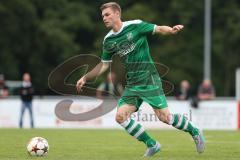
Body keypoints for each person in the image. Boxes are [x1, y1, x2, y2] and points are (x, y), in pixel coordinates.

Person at [76, 2, 205, 157]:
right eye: (103, 15)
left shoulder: (135, 26)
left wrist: (171, 30)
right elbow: (104, 65)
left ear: (117, 14)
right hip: (132, 84)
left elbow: (158, 29)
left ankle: (195, 131)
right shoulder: (108, 40)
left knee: (165, 117)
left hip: (149, 79)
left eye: (107, 14)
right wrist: (85, 77)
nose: (104, 18)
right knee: (120, 116)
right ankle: (152, 144)